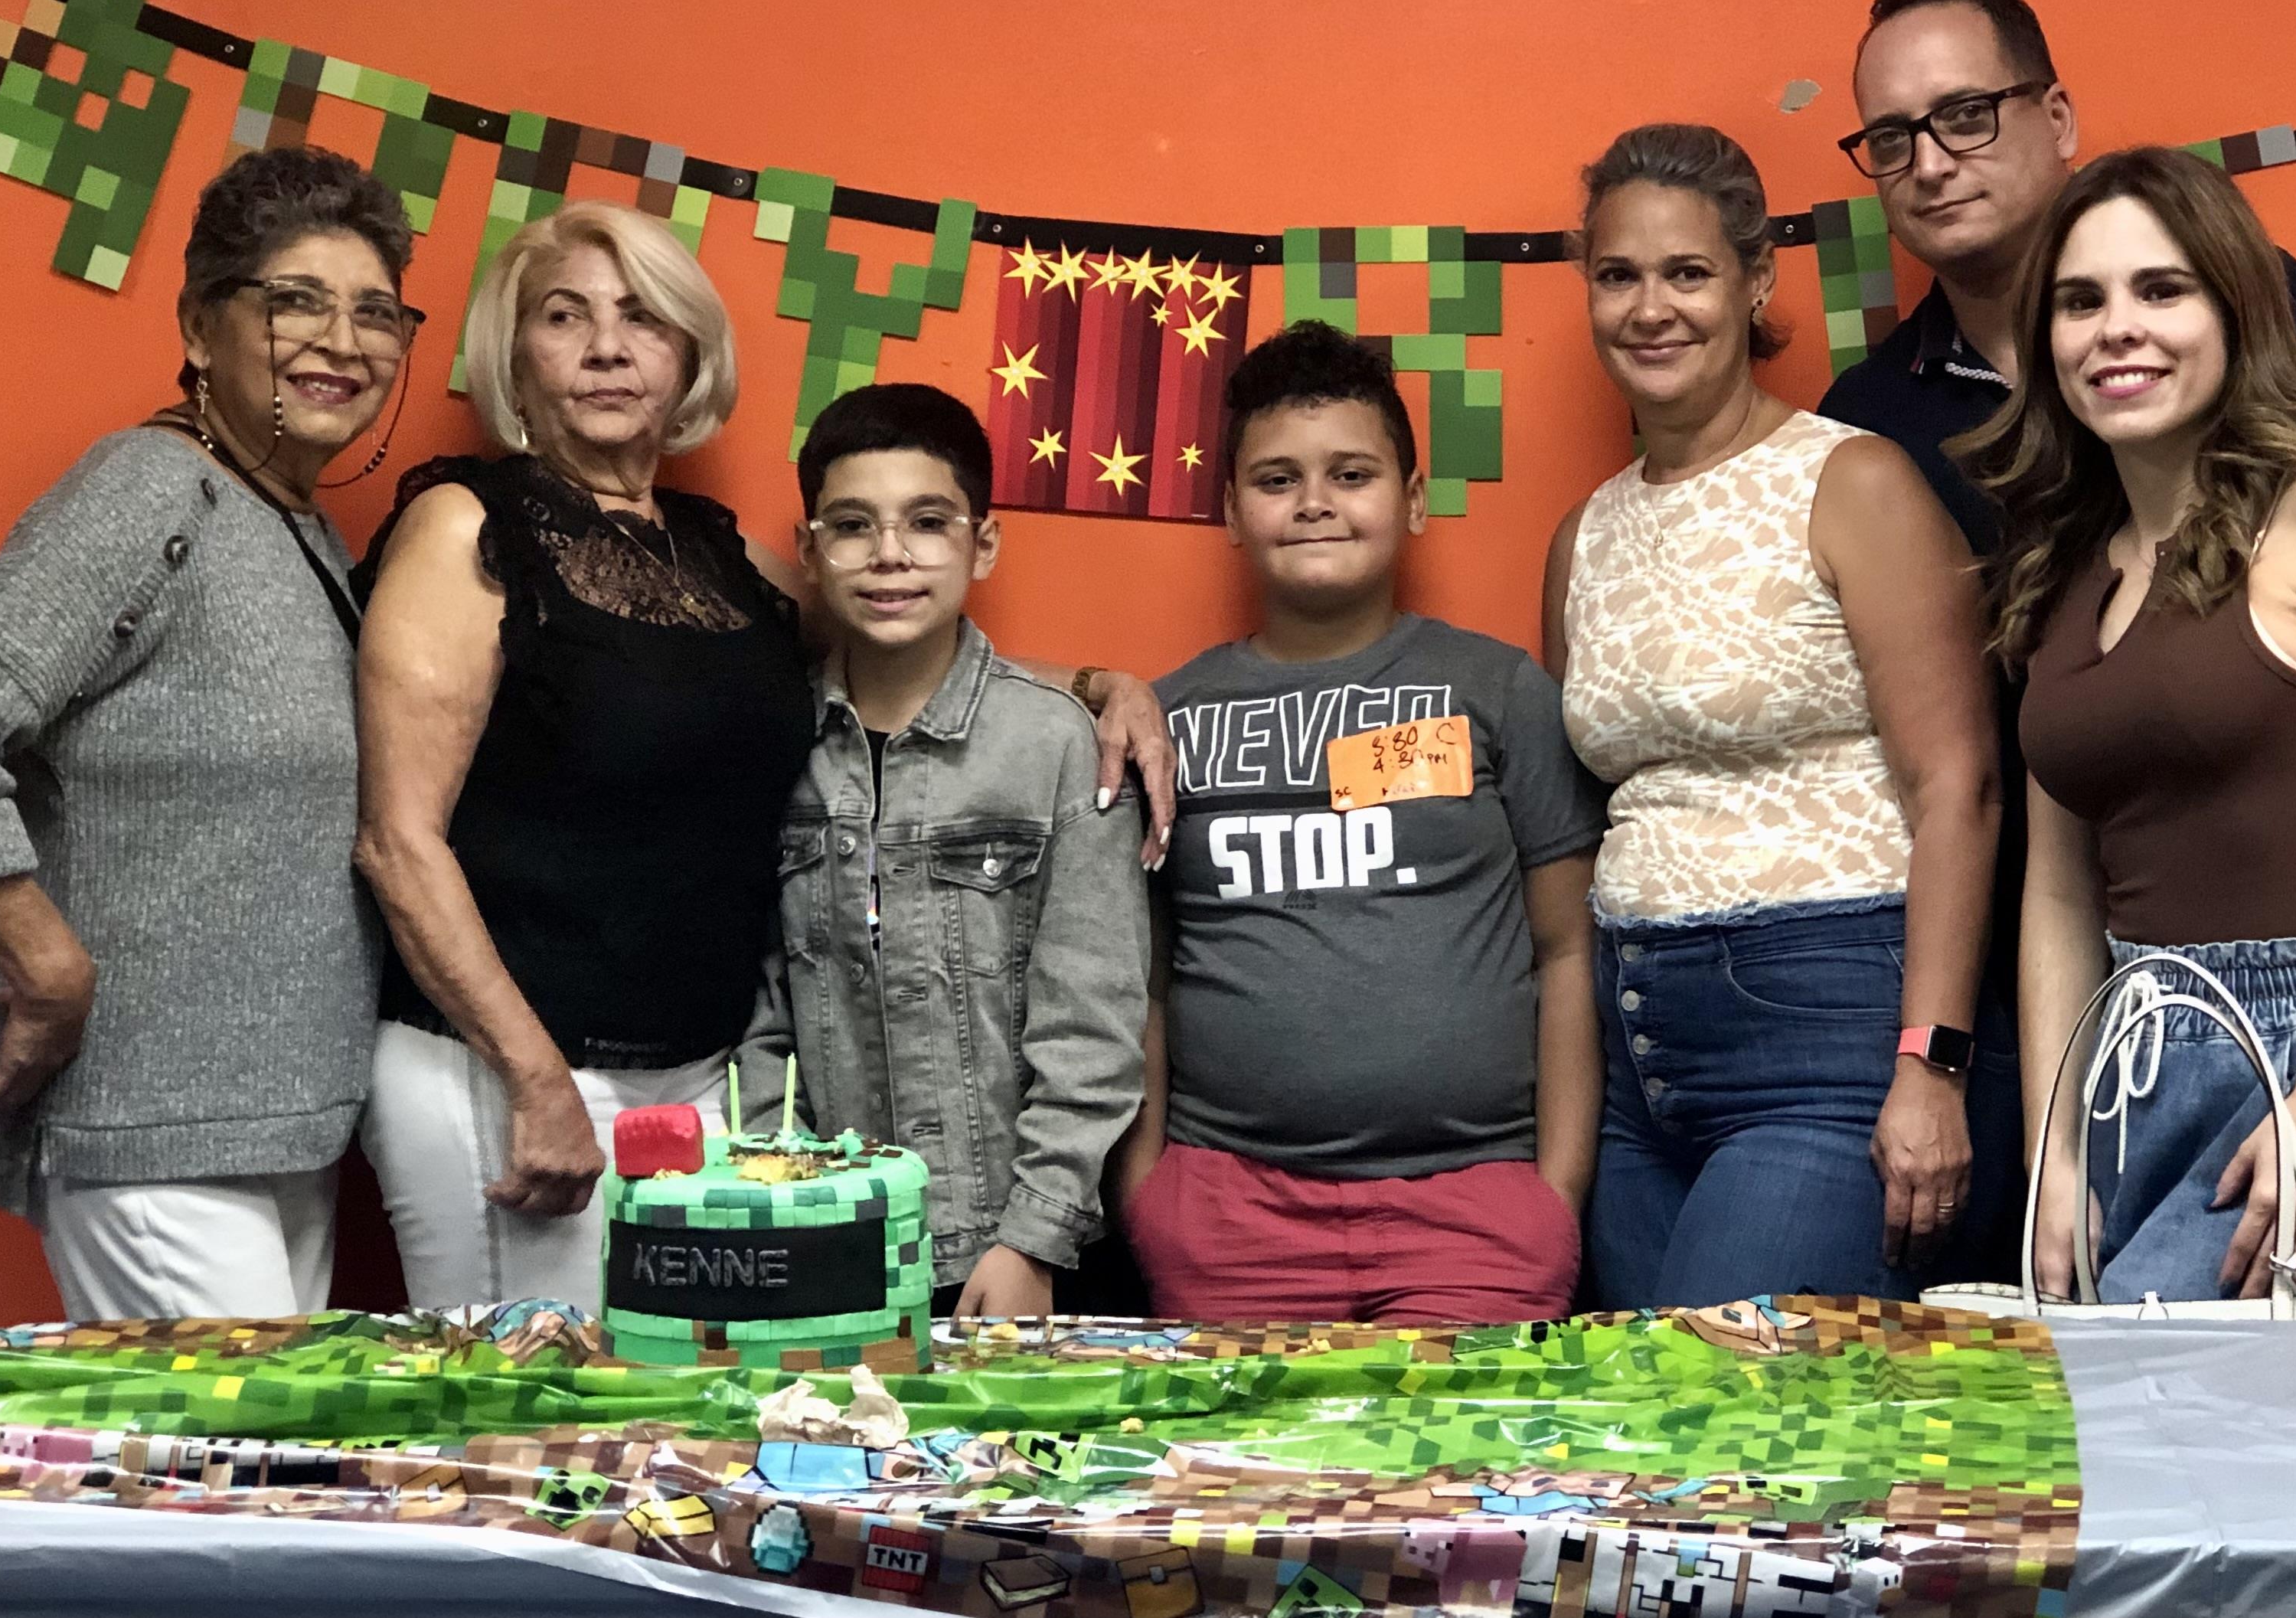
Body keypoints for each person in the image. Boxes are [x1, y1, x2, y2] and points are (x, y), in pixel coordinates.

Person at [1818, 0, 2296, 1092]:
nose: (1931, 161)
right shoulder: (1868, 423)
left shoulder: (2268, 303)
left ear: (2057, 116)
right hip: (2040, 966)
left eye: (1966, 114)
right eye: (1891, 138)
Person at [0, 146, 421, 1319]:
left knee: (262, 1491)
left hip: (283, 1124)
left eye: (376, 310)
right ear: (200, 321)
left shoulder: (292, 526)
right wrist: (46, 962)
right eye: (295, 300)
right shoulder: (151, 490)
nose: (344, 338)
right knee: (229, 1497)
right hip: (150, 1130)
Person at [1958, 146, 2296, 1299]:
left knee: (2252, 1457)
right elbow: (2058, 888)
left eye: (2163, 290)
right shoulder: (2063, 564)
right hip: (2123, 1056)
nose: (2118, 328)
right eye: (2081, 300)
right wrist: (2050, 1145)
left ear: (2236, 305)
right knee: (2133, 1451)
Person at [1546, 123, 2006, 1309]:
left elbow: (1962, 784)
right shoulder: (1582, 536)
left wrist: (1933, 1065)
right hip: (1634, 1052)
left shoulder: (1851, 480)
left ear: (1756, 285)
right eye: (1619, 275)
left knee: (1734, 1434)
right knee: (1645, 1444)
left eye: (1688, 273)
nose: (1652, 308)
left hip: (1826, 1029)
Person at [352, 202, 818, 1312]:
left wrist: (1095, 689)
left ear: (690, 350)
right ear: (516, 355)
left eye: (643, 317)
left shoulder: (726, 555)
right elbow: (396, 841)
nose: (608, 346)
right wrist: (533, 1076)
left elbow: (903, 659)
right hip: (502, 1073)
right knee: (530, 1431)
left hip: (700, 1079)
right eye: (567, 317)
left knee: (668, 1429)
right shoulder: (467, 528)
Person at [1115, 323, 1606, 1324]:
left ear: (1412, 499)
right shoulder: (1167, 719)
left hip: (1476, 1210)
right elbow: (1145, 979)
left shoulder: (1500, 690)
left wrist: (1551, 1192)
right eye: (1277, 479)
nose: (1314, 503)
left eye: (1351, 473)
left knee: (1461, 1485)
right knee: (1239, 1485)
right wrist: (1146, 1193)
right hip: (1226, 1219)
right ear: (1232, 514)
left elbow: (1567, 949)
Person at [745, 384, 1149, 1320]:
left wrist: (1033, 1235)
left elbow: (1092, 1019)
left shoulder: (1057, 743)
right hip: (824, 1233)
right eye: (853, 525)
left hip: (1015, 1248)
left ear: (984, 541)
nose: (890, 554)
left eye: (927, 521)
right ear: (809, 551)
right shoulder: (769, 739)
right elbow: (758, 1009)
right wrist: (790, 1201)